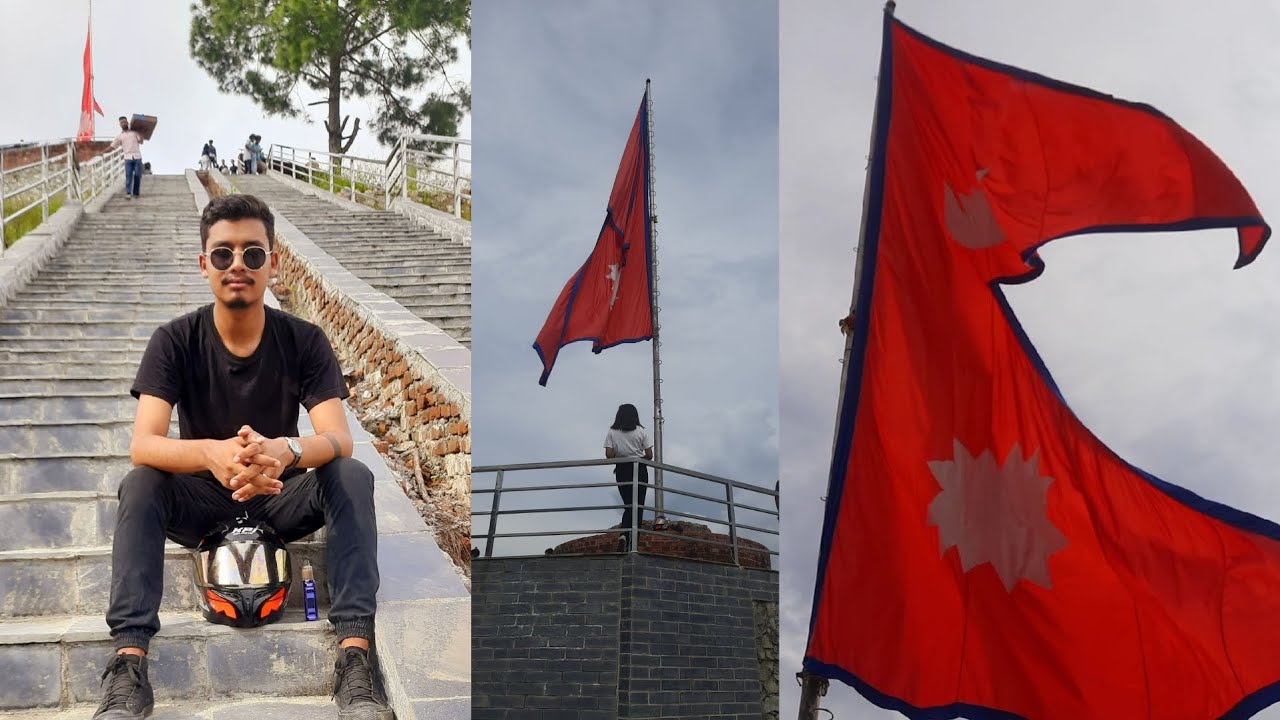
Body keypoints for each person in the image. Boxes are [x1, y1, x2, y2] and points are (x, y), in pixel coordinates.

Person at [91, 194, 391, 719]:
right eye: (223, 253)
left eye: (253, 254)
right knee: (140, 484)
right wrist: (210, 453)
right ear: (203, 264)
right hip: (203, 500)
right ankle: (128, 662)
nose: (238, 265)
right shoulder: (174, 341)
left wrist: (286, 451)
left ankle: (355, 656)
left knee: (351, 474)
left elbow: (339, 438)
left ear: (273, 264)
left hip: (277, 496)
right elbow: (144, 444)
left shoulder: (304, 340)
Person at [604, 403, 653, 548]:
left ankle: (624, 535)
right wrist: (637, 458)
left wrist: (621, 453)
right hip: (639, 469)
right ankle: (633, 541)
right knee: (638, 505)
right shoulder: (641, 431)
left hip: (621, 470)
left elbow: (608, 455)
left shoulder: (612, 432)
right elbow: (649, 455)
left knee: (628, 505)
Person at [110, 116, 144, 199]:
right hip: (127, 158)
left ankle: (136, 193)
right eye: (122, 122)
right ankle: (128, 193)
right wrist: (101, 152)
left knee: (138, 175)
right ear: (120, 125)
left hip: (137, 157)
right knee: (128, 175)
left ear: (127, 122)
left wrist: (142, 133)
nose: (123, 123)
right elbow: (113, 146)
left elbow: (141, 141)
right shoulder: (120, 136)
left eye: (125, 122)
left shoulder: (134, 133)